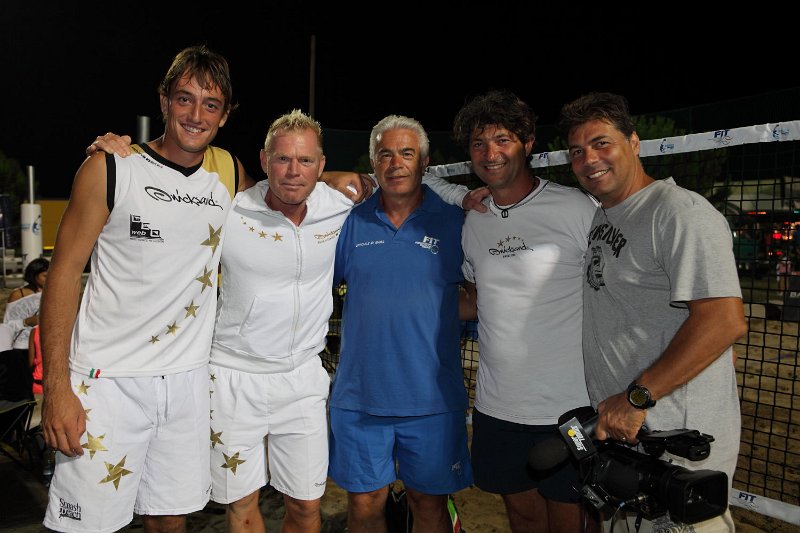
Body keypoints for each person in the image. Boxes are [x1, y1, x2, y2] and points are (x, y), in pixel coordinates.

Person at [40, 45, 253, 533]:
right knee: (85, 527)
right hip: (106, 382)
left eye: (211, 104)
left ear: (224, 115)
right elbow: (63, 275)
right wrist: (56, 388)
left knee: (169, 522)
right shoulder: (111, 167)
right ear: (163, 101)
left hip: (186, 382)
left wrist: (341, 178)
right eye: (184, 99)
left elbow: (285, 193)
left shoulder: (227, 172)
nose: (196, 115)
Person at [557, 92, 747, 532]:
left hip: (676, 441)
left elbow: (724, 319)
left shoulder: (679, 212)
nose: (589, 159)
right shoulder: (606, 216)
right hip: (626, 436)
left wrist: (637, 397)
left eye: (602, 143)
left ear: (634, 142)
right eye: (577, 151)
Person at [452, 89, 600, 533]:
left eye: (502, 140)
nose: (490, 154)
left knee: (574, 521)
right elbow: (477, 299)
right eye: (479, 144)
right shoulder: (473, 220)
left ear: (528, 143)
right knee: (523, 519)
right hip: (498, 409)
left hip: (569, 411)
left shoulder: (576, 208)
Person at [207, 109, 353, 532]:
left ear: (321, 165)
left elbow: (406, 181)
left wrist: (463, 198)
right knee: (241, 505)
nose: (293, 171)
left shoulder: (339, 205)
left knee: (307, 507)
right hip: (233, 379)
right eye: (282, 159)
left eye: (305, 160)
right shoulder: (229, 210)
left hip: (302, 379)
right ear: (264, 160)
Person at [330, 114, 473, 533]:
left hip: (432, 403)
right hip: (359, 399)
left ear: (424, 162)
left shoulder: (456, 222)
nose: (396, 163)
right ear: (373, 164)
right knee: (364, 507)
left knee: (428, 505)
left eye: (407, 153)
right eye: (385, 154)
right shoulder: (348, 222)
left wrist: (432, 307)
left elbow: (482, 296)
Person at [3, 257, 49, 358]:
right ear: (34, 275)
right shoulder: (18, 294)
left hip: (44, 346)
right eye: (45, 276)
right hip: (22, 348)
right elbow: (8, 325)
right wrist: (27, 322)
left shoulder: (53, 293)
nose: (49, 278)